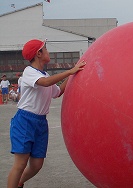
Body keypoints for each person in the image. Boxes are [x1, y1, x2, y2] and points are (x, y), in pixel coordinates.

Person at [7, 39, 86, 188]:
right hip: (25, 120)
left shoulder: (45, 74)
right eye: (46, 49)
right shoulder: (30, 72)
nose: (49, 52)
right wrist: (69, 71)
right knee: (20, 164)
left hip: (41, 122)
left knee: (37, 164)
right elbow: (45, 82)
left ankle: (18, 183)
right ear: (38, 53)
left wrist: (74, 73)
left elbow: (58, 92)